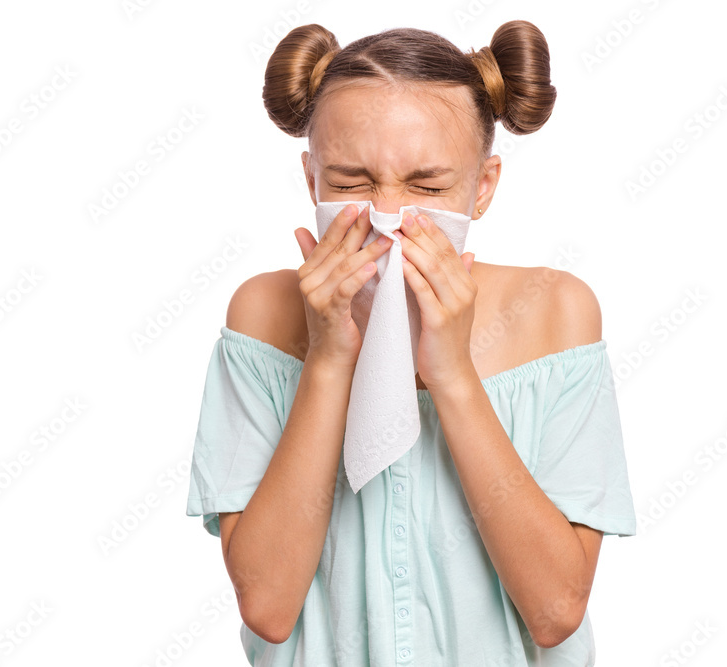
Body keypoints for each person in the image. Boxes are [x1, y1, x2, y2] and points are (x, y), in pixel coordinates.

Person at [186, 19, 636, 666]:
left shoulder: (556, 311)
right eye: (350, 181)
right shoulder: (261, 313)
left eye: (426, 187)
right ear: (311, 178)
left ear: (481, 187)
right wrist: (329, 357)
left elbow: (557, 610)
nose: (388, 214)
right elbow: (268, 604)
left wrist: (451, 372)